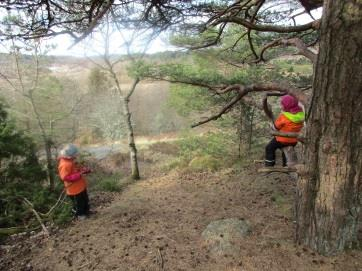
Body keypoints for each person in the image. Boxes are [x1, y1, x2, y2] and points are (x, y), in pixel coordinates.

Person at [265, 95, 305, 167]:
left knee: (269, 147)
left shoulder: (284, 116)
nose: (281, 106)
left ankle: (269, 164)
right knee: (285, 150)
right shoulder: (301, 115)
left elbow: (276, 128)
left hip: (282, 140)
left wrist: (271, 125)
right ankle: (285, 166)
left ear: (287, 106)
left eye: (282, 104)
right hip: (294, 141)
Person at [58, 144, 92, 220]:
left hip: (81, 186)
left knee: (85, 200)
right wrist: (79, 175)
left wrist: (85, 170)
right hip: (74, 190)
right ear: (70, 155)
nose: (76, 156)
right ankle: (80, 215)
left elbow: (77, 169)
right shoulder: (64, 164)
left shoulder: (71, 161)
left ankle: (86, 211)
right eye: (75, 155)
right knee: (78, 204)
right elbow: (65, 177)